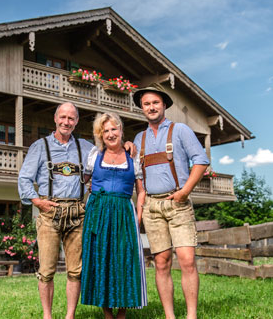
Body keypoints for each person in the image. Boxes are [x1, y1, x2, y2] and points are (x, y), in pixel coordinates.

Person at [18, 102, 135, 319]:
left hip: (78, 212)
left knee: (76, 270)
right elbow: (24, 178)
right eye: (63, 117)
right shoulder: (40, 146)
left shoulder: (86, 147)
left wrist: (127, 143)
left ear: (77, 121)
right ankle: (47, 316)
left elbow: (110, 150)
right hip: (49, 212)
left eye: (71, 118)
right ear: (55, 118)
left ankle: (70, 315)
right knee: (46, 271)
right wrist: (37, 201)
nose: (66, 122)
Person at [132, 86, 209, 319]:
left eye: (155, 102)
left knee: (187, 260)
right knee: (162, 262)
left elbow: (201, 160)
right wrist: (141, 202)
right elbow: (138, 175)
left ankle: (191, 316)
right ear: (142, 108)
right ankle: (169, 316)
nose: (151, 107)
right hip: (152, 207)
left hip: (178, 202)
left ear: (164, 105)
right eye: (147, 104)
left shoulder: (181, 130)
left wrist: (185, 191)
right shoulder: (139, 138)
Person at [81, 113, 147, 319]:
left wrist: (138, 215)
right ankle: (107, 313)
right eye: (106, 131)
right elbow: (83, 181)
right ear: (101, 135)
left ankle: (122, 313)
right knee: (102, 259)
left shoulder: (132, 156)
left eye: (114, 129)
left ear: (121, 130)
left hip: (124, 211)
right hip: (98, 211)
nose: (110, 134)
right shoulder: (94, 155)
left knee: (124, 260)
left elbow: (141, 190)